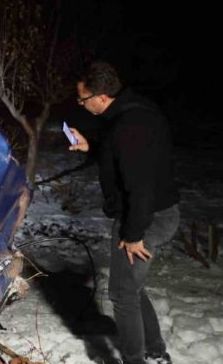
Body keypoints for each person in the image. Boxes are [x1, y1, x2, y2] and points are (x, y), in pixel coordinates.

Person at [68, 61, 180, 364]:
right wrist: (90, 146)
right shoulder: (131, 111)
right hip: (151, 212)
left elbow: (139, 187)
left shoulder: (130, 126)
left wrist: (133, 235)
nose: (81, 103)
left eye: (82, 98)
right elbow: (119, 152)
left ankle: (136, 360)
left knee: (121, 294)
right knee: (130, 287)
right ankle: (155, 351)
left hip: (145, 217)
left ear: (101, 96)